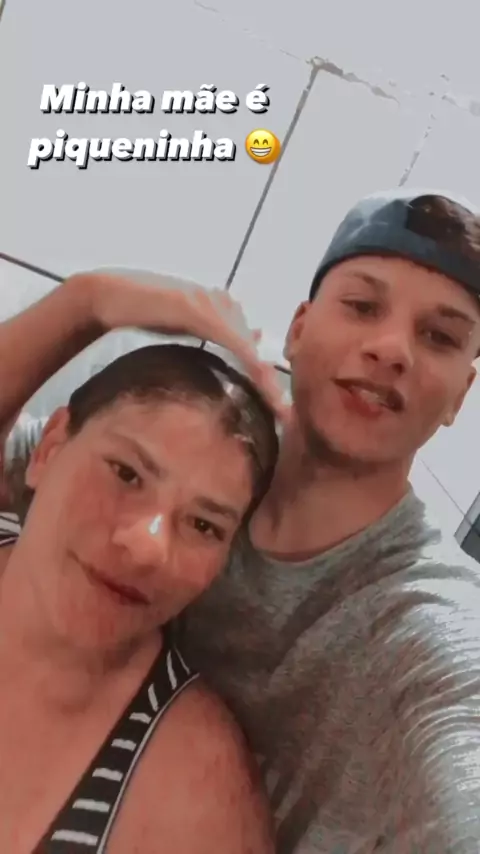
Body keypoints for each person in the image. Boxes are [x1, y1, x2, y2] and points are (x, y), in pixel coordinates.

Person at [3, 187, 480, 853]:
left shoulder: (426, 622)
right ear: (299, 330)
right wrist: (87, 302)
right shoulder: (198, 462)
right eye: (363, 306)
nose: (391, 347)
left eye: (439, 336)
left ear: (462, 393)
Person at [0, 341, 278, 853]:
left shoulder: (195, 796)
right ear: (49, 449)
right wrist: (86, 306)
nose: (148, 546)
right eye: (127, 474)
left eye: (203, 525)